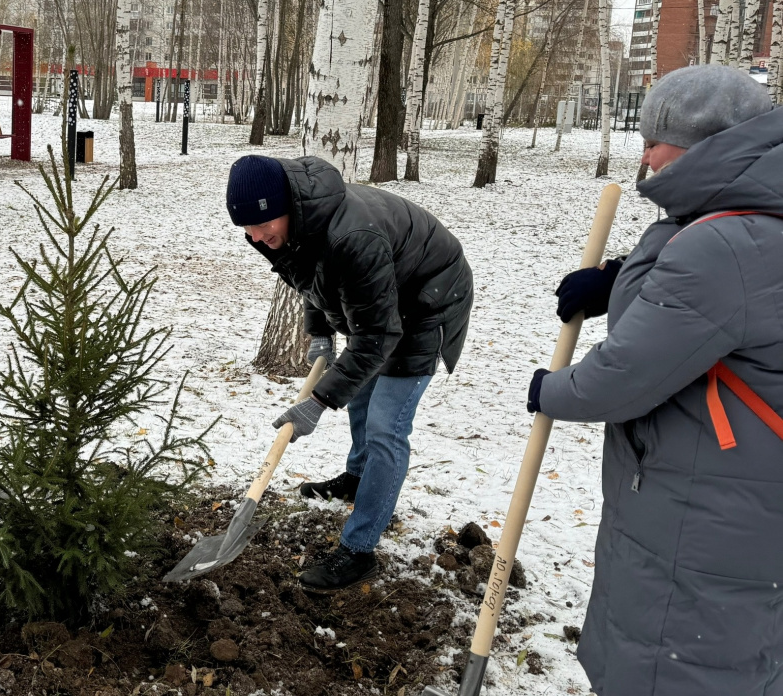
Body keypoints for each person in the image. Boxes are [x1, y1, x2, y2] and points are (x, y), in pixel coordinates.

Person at [528, 64, 783, 694]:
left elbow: (621, 379)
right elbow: (720, 300)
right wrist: (618, 280)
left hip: (702, 500)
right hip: (746, 491)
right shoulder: (751, 221)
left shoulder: (721, 245)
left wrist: (548, 390)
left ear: (706, 146)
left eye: (654, 141)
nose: (645, 156)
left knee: (672, 656)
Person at [226, 154, 473, 591]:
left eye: (263, 226)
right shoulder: (296, 226)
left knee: (385, 428)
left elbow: (378, 335)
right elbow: (310, 276)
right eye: (246, 228)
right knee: (360, 394)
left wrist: (318, 400)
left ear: (288, 204)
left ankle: (359, 550)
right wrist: (319, 329)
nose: (257, 238)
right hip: (386, 298)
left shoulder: (351, 236)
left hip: (429, 301)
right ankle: (358, 479)